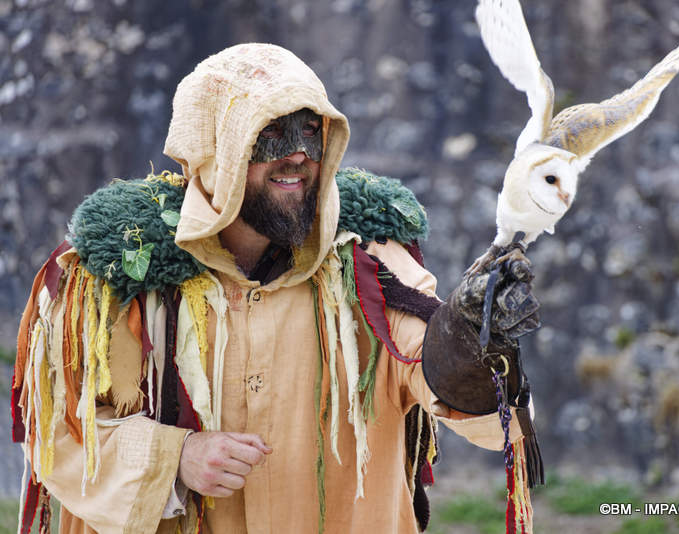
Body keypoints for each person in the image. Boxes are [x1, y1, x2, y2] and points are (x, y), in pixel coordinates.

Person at [13, 43, 541, 534]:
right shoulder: (113, 281)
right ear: (215, 149)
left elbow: (440, 376)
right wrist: (176, 458)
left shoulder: (371, 269)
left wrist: (473, 337)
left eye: (312, 132)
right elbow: (58, 436)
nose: (298, 156)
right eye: (269, 135)